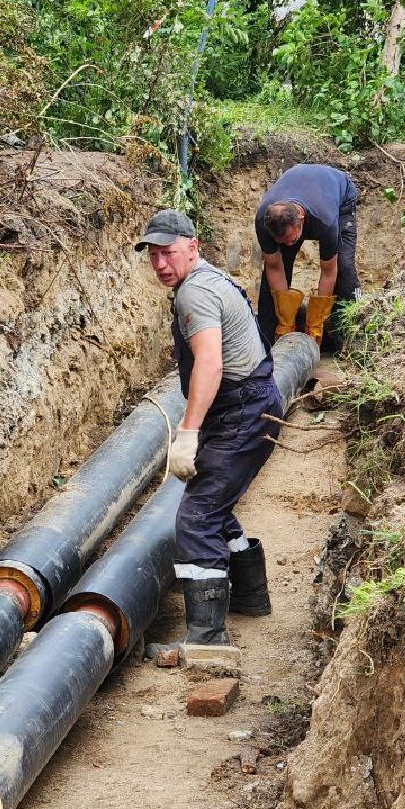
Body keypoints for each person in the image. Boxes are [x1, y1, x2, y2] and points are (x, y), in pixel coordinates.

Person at [135, 209, 283, 649]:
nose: (160, 264)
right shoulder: (211, 279)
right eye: (153, 255)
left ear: (192, 247)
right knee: (214, 502)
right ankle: (250, 597)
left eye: (168, 253)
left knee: (196, 518)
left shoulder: (195, 294)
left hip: (240, 412)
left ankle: (207, 639)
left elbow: (211, 363)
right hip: (249, 406)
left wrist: (188, 432)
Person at [253, 163, 361, 354]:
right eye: (281, 241)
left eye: (291, 239)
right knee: (277, 267)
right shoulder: (264, 220)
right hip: (301, 188)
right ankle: (267, 342)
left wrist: (315, 323)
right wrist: (285, 320)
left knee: (344, 266)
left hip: (339, 197)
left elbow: (329, 271)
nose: (288, 244)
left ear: (301, 222)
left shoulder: (325, 220)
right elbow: (274, 267)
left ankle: (347, 339)